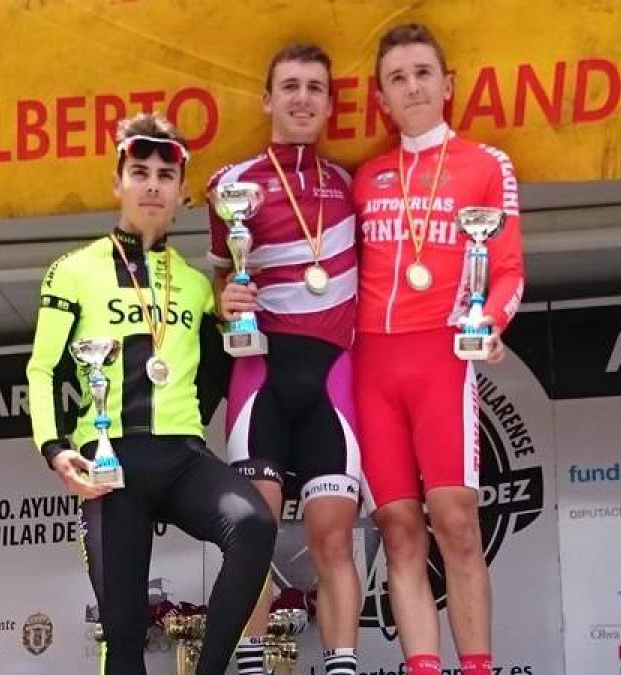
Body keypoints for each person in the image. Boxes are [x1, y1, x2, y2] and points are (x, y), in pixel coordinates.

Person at [26, 112, 277, 675]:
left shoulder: (194, 283)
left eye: (166, 174)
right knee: (123, 633)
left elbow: (227, 360)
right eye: (139, 172)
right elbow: (41, 369)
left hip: (183, 456)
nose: (153, 184)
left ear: (183, 193)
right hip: (110, 465)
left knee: (255, 525)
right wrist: (54, 448)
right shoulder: (72, 270)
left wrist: (233, 312)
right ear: (118, 183)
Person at [351, 23, 524, 675]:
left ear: (447, 85)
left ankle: (476, 667)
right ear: (382, 98)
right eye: (397, 77)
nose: (412, 86)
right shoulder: (364, 179)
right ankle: (422, 666)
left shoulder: (486, 165)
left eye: (423, 72)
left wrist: (490, 320)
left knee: (455, 519)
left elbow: (508, 268)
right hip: (371, 362)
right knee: (397, 527)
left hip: (442, 357)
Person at [208, 43, 361, 675]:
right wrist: (228, 299)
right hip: (260, 373)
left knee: (333, 539)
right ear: (268, 99)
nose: (302, 98)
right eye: (290, 86)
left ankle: (343, 664)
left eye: (315, 88)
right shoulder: (231, 185)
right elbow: (220, 284)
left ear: (329, 104)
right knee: (253, 535)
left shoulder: (352, 185)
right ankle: (248, 660)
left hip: (332, 377)